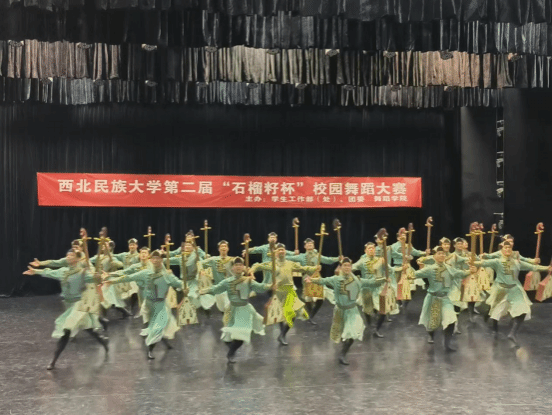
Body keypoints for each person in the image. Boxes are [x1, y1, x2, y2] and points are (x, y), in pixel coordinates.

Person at [23, 249, 108, 369]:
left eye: (71, 255)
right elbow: (49, 272)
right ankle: (103, 342)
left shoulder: (82, 273)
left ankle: (53, 361)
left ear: (77, 259)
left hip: (80, 305)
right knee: (88, 328)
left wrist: (100, 277)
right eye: (67, 255)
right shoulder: (63, 271)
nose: (68, 257)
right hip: (70, 305)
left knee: (66, 330)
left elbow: (95, 279)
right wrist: (35, 271)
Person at [105, 250, 186, 359]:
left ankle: (150, 349)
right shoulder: (145, 273)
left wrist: (185, 287)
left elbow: (180, 284)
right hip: (148, 304)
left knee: (158, 326)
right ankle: (157, 344)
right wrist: (112, 280)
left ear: (161, 260)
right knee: (155, 326)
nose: (155, 260)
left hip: (160, 305)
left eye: (158, 258)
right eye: (153, 258)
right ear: (150, 260)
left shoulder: (167, 275)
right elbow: (129, 276)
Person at [476, 241, 551, 345]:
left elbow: (533, 267)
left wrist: (547, 268)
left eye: (509, 248)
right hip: (501, 289)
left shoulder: (517, 262)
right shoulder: (497, 261)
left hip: (515, 290)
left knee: (523, 310)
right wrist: (473, 261)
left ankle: (512, 334)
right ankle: (494, 326)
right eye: (505, 248)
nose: (507, 249)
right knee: (495, 311)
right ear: (502, 250)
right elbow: (483, 263)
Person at [307, 257, 378, 364]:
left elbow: (370, 282)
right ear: (341, 267)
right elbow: (323, 280)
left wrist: (383, 280)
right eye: (345, 265)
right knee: (341, 333)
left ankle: (342, 354)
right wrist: (312, 280)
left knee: (352, 334)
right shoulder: (336, 279)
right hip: (340, 310)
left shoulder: (356, 280)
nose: (347, 267)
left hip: (352, 311)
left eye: (349, 266)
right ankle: (343, 346)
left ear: (351, 267)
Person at [199, 257, 271, 363]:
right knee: (228, 336)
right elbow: (216, 288)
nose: (238, 267)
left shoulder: (248, 281)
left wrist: (270, 286)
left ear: (243, 267)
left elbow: (260, 287)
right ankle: (232, 350)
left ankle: (231, 353)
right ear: (232, 268)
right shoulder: (227, 282)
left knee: (241, 335)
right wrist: (204, 291)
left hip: (244, 309)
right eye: (236, 265)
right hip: (232, 309)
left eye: (240, 265)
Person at [250, 243, 319, 345]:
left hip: (290, 291)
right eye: (279, 250)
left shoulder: (290, 263)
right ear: (276, 253)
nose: (281, 251)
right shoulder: (272, 264)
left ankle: (282, 334)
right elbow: (258, 266)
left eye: (283, 249)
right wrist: (252, 271)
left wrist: (314, 268)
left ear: (285, 251)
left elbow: (303, 268)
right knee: (281, 315)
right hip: (279, 292)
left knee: (293, 314)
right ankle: (282, 335)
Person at [414, 247, 476, 351]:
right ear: (434, 256)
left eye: (443, 253)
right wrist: (406, 270)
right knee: (432, 324)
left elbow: (459, 273)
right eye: (439, 253)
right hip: (433, 298)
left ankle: (447, 344)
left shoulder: (449, 268)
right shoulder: (430, 268)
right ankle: (431, 335)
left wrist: (470, 271)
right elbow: (414, 275)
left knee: (451, 320)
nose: (442, 255)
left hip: (445, 298)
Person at [287, 238, 341, 324]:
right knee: (308, 299)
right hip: (307, 278)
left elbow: (328, 260)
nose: (310, 245)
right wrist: (280, 255)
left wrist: (337, 258)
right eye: (308, 244)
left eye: (311, 244)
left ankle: (311, 316)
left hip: (317, 278)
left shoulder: (317, 256)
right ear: (305, 246)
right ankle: (310, 315)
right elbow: (290, 258)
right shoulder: (301, 256)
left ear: (314, 245)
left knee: (320, 298)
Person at [352, 242, 399, 338]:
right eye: (369, 248)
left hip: (378, 288)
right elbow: (352, 268)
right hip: (366, 288)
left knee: (383, 310)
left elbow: (390, 270)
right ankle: (370, 325)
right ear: (365, 251)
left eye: (373, 248)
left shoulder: (380, 260)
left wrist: (390, 276)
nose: (371, 250)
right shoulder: (362, 261)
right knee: (367, 309)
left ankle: (376, 329)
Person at [198, 240, 236, 312]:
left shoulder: (232, 260)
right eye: (222, 246)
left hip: (229, 287)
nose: (223, 248)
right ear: (219, 249)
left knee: (228, 306)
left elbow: (240, 264)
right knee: (221, 308)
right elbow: (200, 263)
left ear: (228, 248)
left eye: (225, 246)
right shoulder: (213, 260)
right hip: (218, 287)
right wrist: (201, 270)